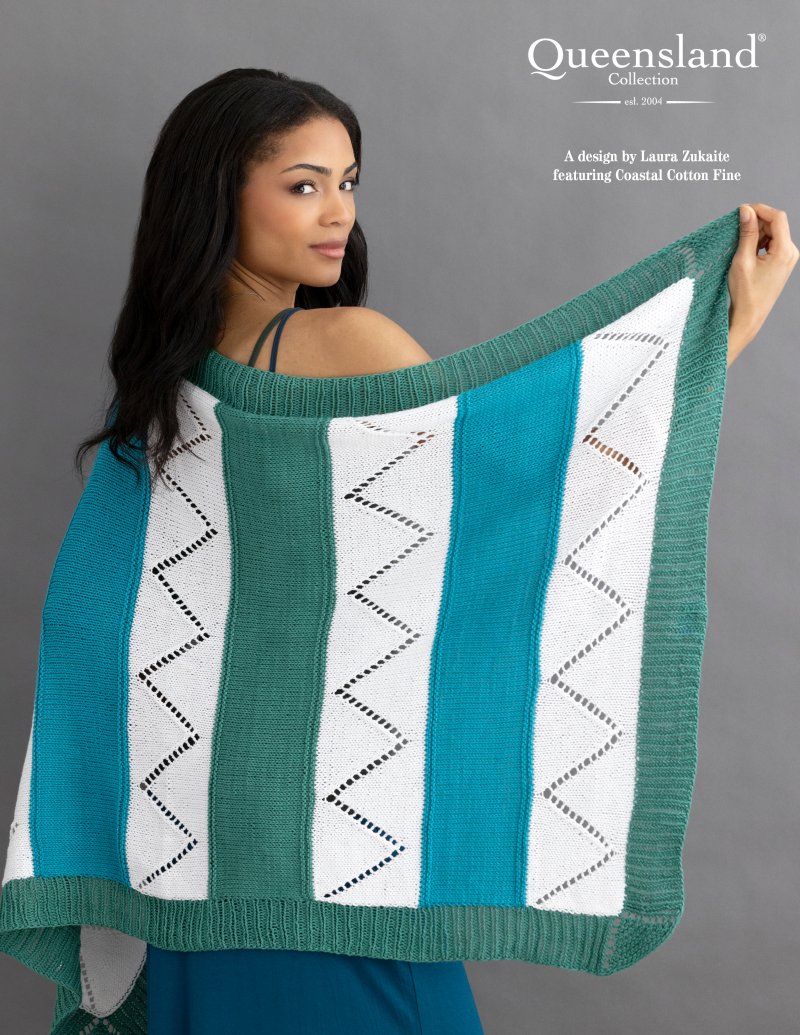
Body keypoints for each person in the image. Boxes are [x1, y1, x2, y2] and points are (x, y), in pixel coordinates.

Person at [69, 68, 796, 1034]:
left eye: (348, 182)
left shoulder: (160, 396)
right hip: (329, 854)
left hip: (191, 854)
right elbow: (530, 492)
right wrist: (728, 328)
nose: (339, 213)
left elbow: (101, 635)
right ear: (215, 195)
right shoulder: (338, 343)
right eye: (303, 184)